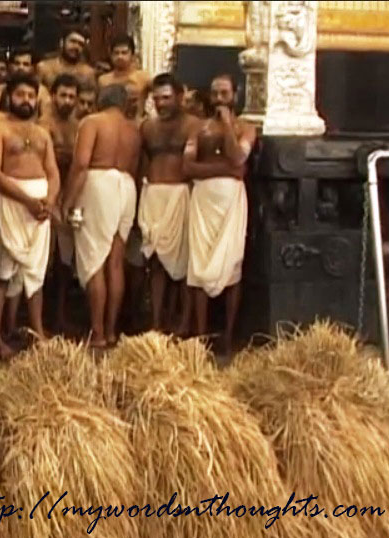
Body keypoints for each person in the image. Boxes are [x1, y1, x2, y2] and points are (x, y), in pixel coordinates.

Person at [0, 73, 60, 359]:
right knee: (2, 271)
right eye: (20, 95)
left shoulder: (42, 133)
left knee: (36, 271)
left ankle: (37, 332)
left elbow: (52, 171)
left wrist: (49, 201)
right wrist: (27, 200)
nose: (26, 100)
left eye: (31, 96)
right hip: (13, 202)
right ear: (9, 97)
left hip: (40, 207)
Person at [182, 74, 257, 356]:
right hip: (203, 200)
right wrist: (225, 171)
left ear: (235, 95)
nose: (218, 99)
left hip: (231, 205)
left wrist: (227, 126)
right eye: (214, 94)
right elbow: (187, 168)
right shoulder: (198, 129)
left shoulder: (246, 128)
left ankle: (227, 334)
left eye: (224, 93)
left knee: (231, 263)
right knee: (199, 263)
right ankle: (201, 334)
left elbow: (238, 157)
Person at [64, 84, 140, 348]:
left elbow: (82, 163)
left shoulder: (92, 122)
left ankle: (96, 332)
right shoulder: (134, 129)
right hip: (127, 186)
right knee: (116, 262)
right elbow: (134, 166)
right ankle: (111, 331)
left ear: (100, 100)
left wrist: (68, 200)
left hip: (99, 183)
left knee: (95, 258)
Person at [138, 73, 200, 332]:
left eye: (166, 98)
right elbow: (141, 162)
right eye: (156, 99)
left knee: (184, 264)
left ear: (179, 96)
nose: (161, 104)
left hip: (181, 195)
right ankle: (155, 324)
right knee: (155, 262)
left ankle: (184, 323)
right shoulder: (147, 127)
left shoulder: (194, 125)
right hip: (152, 195)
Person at [38, 73, 79, 335]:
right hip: (45, 196)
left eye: (71, 96)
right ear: (53, 97)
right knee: (43, 262)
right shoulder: (43, 124)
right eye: (63, 95)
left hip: (69, 196)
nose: (67, 100)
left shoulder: (78, 126)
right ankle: (37, 319)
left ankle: (60, 316)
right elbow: (45, 161)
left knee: (65, 264)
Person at [98, 34, 152, 120]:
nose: (120, 57)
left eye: (124, 53)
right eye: (116, 53)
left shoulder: (143, 77)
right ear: (111, 55)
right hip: (110, 125)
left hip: (136, 126)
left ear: (133, 55)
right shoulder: (103, 80)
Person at [0, 47, 52, 116]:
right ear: (10, 66)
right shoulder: (0, 89)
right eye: (17, 63)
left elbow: (45, 118)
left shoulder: (42, 92)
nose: (21, 67)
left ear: (33, 68)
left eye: (25, 64)